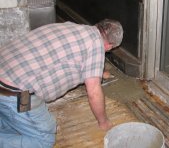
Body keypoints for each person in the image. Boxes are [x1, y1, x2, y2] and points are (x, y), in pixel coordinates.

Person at [0, 19, 123, 148]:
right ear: (109, 46)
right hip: (17, 94)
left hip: (5, 74)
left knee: (17, 121)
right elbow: (94, 92)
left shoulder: (74, 28)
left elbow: (70, 55)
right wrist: (103, 122)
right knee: (44, 140)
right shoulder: (96, 46)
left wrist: (98, 72)